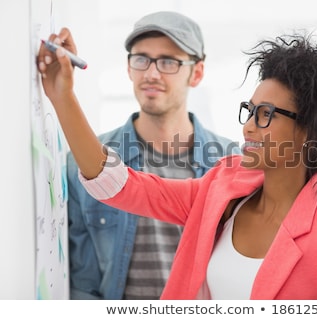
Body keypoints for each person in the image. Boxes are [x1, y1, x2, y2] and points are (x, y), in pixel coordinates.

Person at [38, 28, 317, 299]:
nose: (248, 127)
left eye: (266, 115)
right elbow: (120, 185)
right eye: (250, 110)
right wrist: (63, 96)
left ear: (309, 131)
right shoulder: (221, 188)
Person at [63, 11, 240, 299]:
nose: (151, 73)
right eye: (141, 59)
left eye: (168, 62)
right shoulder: (84, 163)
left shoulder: (233, 165)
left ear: (196, 73)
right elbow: (83, 284)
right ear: (129, 67)